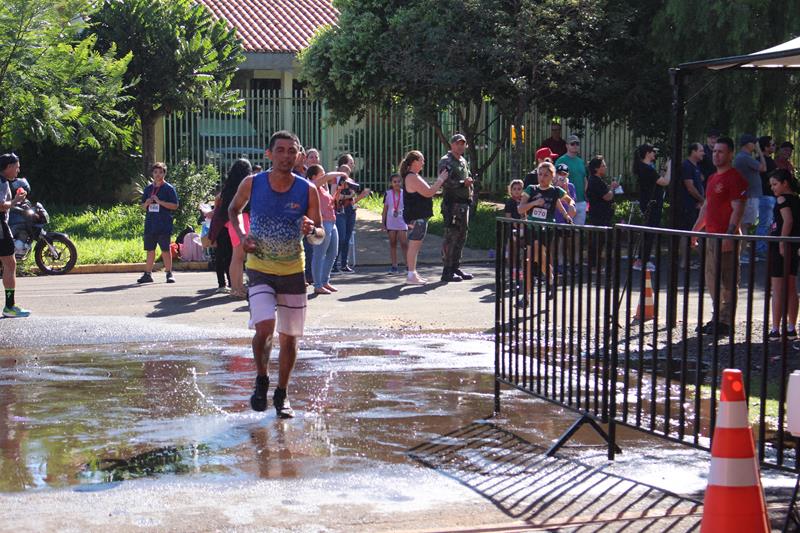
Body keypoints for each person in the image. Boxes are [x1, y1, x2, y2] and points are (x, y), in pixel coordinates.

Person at [228, 130, 324, 418]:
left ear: (298, 156)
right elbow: (233, 209)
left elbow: (319, 235)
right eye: (279, 150)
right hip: (259, 269)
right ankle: (261, 379)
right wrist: (243, 235)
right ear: (269, 154)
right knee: (264, 328)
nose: (285, 156)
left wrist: (312, 231)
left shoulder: (308, 189)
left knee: (290, 338)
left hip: (293, 271)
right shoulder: (252, 183)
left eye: (291, 151)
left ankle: (282, 393)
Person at [691, 137, 748, 336]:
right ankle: (717, 317)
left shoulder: (734, 177)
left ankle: (726, 321)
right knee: (712, 279)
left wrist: (729, 235)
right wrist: (696, 230)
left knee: (728, 279)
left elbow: (738, 209)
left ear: (730, 154)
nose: (716, 155)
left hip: (725, 236)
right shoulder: (712, 178)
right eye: (714, 151)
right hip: (711, 236)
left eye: (721, 152)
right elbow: (707, 207)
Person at [401, 150, 447, 285]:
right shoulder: (411, 177)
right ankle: (411, 275)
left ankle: (413, 273)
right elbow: (428, 192)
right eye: (421, 160)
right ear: (414, 162)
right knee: (413, 246)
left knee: (415, 246)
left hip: (419, 217)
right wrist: (441, 180)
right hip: (417, 217)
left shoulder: (413, 176)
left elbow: (428, 191)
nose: (423, 163)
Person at [767, 169, 800, 341]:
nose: (772, 188)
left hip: (781, 246)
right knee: (791, 286)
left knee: (778, 288)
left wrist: (781, 241)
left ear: (784, 183)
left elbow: (788, 220)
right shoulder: (796, 200)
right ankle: (791, 327)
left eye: (775, 184)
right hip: (793, 246)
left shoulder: (782, 200)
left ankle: (775, 328)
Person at [438, 133, 475, 282]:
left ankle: (455, 266)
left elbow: (468, 177)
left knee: (461, 236)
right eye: (457, 143)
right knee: (451, 237)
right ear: (452, 145)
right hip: (452, 203)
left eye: (463, 144)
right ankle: (446, 271)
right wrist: (462, 183)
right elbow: (444, 181)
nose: (460, 146)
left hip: (463, 204)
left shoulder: (463, 160)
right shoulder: (446, 161)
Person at [307, 164, 348, 294]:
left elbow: (332, 202)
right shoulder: (313, 185)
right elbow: (326, 177)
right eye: (322, 172)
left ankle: (325, 281)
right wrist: (340, 174)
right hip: (322, 223)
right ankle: (318, 284)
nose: (324, 175)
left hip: (331, 221)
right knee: (319, 253)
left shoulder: (323, 189)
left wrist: (339, 191)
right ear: (314, 176)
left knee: (332, 253)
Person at [216, 159, 253, 299]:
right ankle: (237, 288)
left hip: (231, 221)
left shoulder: (228, 187)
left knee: (236, 256)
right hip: (241, 219)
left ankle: (236, 287)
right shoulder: (245, 186)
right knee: (238, 256)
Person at [137, 162, 179, 284]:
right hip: (150, 224)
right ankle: (147, 274)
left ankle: (169, 273)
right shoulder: (148, 189)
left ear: (164, 174)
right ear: (152, 174)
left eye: (160, 172)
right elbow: (142, 206)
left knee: (165, 250)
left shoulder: (169, 188)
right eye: (155, 172)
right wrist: (147, 203)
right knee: (150, 250)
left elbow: (175, 205)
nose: (158, 175)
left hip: (164, 224)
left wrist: (160, 202)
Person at [0, 153, 31, 318]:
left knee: (8, 265)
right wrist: (14, 201)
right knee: (10, 265)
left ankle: (10, 305)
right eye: (17, 167)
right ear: (9, 166)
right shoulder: (2, 182)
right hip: (0, 227)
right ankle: (9, 307)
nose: (18, 171)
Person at [633, 144, 670, 271]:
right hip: (651, 203)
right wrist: (669, 167)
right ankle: (642, 260)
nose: (655, 154)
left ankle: (642, 259)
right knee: (649, 231)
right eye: (653, 152)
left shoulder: (648, 167)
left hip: (653, 202)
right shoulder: (646, 168)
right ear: (647, 153)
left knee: (650, 231)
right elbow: (665, 181)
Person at [733, 134, 767, 264]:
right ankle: (740, 255)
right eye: (754, 143)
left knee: (745, 225)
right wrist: (759, 152)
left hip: (750, 196)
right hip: (749, 196)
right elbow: (763, 167)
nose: (755, 145)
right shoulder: (744, 157)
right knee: (744, 225)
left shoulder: (744, 157)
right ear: (748, 144)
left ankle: (742, 254)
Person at [332, 162, 370, 273]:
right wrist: (348, 196)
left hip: (350, 211)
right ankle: (334, 264)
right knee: (341, 237)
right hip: (340, 211)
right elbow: (334, 195)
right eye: (343, 170)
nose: (345, 173)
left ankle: (344, 264)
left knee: (347, 238)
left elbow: (353, 200)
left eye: (347, 171)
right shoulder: (336, 180)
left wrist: (361, 196)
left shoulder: (351, 182)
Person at [555, 135, 588, 225]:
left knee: (578, 231)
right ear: (567, 145)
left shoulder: (580, 161)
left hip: (581, 200)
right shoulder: (561, 160)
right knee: (565, 231)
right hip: (566, 202)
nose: (575, 146)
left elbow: (584, 178)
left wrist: (584, 194)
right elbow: (555, 180)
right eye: (572, 143)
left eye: (577, 143)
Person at [755, 136, 778, 260]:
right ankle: (760, 248)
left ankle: (764, 247)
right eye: (772, 144)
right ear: (766, 146)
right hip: (765, 195)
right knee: (764, 223)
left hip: (770, 196)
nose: (774, 147)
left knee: (769, 223)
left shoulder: (770, 160)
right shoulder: (761, 160)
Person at [382, 173, 408, 274]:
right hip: (391, 221)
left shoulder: (405, 193)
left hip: (402, 221)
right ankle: (394, 266)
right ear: (391, 183)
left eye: (399, 181)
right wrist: (383, 223)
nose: (397, 184)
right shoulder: (388, 194)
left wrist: (410, 221)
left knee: (404, 244)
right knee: (393, 243)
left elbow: (409, 208)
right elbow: (385, 209)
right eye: (394, 182)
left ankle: (408, 266)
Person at [679, 143, 706, 231]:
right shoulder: (687, 165)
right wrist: (702, 200)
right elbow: (690, 188)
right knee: (686, 233)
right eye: (701, 151)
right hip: (688, 207)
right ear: (693, 152)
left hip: (696, 206)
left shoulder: (696, 166)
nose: (703, 153)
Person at [585, 156, 618, 228]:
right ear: (596, 168)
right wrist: (612, 188)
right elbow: (607, 197)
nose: (605, 167)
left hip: (603, 216)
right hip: (599, 218)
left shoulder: (597, 180)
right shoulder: (595, 181)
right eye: (603, 166)